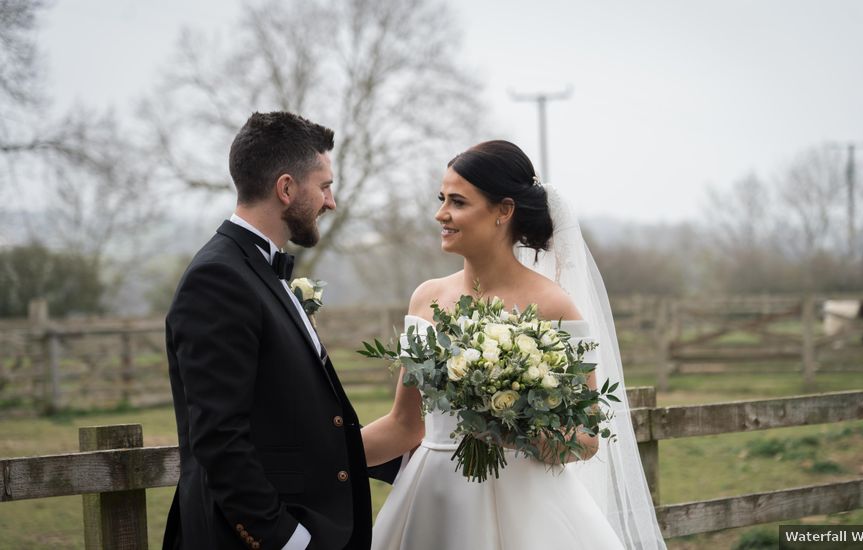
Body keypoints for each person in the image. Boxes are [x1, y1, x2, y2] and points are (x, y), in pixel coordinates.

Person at [362, 140, 666, 549]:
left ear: (504, 211)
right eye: (441, 199)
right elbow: (404, 425)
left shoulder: (553, 306)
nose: (441, 214)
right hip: (432, 502)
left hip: (528, 511)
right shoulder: (426, 299)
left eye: (458, 202)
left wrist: (517, 429)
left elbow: (588, 438)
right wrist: (320, 457)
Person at [163, 111, 398, 550]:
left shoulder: (257, 270)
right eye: (325, 186)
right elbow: (219, 439)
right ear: (286, 188)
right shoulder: (217, 279)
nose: (331, 202)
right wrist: (287, 540)